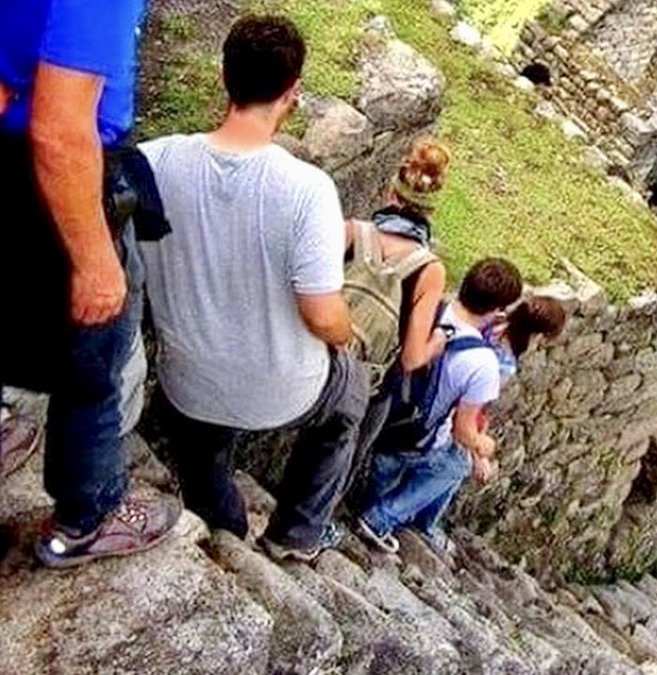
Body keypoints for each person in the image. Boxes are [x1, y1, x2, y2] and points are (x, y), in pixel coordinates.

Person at [138, 15, 367, 562]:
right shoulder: (307, 189)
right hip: (283, 391)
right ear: (292, 94)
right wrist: (347, 336)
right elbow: (321, 313)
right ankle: (296, 532)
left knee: (202, 451)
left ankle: (223, 526)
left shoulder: (153, 161)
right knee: (350, 398)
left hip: (187, 384)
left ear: (224, 76)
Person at [1, 0, 181, 567]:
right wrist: (96, 262)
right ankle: (89, 516)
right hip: (57, 170)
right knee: (95, 358)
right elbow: (59, 132)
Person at [357, 258, 523, 554]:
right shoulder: (483, 363)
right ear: (498, 310)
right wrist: (483, 445)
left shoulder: (430, 307)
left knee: (385, 467)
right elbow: (462, 431)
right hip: (415, 439)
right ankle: (380, 518)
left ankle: (368, 505)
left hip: (381, 418)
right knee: (457, 464)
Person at [344, 137, 451, 456]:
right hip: (365, 386)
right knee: (337, 463)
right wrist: (438, 342)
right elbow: (412, 358)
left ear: (391, 192)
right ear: (431, 211)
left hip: (315, 357)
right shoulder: (429, 270)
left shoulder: (351, 232)